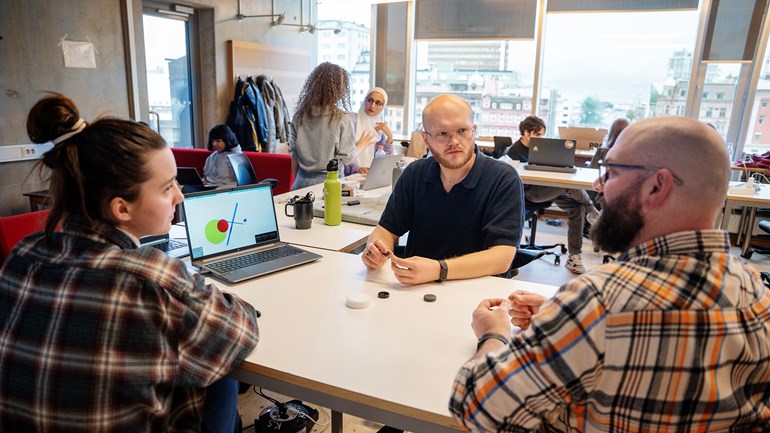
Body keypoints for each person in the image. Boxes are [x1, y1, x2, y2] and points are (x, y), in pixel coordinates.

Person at [450, 116, 770, 432]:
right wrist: (561, 321)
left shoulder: (598, 302)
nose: (597, 183)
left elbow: (476, 409)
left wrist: (494, 334)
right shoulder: (758, 297)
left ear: (657, 186)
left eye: (612, 171)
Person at [0, 93, 259, 433]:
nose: (180, 196)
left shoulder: (22, 254)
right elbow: (242, 330)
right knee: (218, 369)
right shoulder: (152, 277)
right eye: (167, 188)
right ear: (121, 208)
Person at [362, 94, 524, 285]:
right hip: (416, 288)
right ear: (426, 139)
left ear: (473, 130)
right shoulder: (415, 173)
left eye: (462, 130)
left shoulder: (503, 178)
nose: (454, 141)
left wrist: (439, 269)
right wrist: (376, 248)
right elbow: (387, 229)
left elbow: (502, 257)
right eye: (442, 133)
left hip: (478, 293)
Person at [505, 115, 600, 274]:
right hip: (530, 194)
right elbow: (515, 180)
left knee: (577, 207)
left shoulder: (544, 148)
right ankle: (593, 212)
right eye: (538, 134)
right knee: (566, 185)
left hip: (549, 191)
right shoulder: (514, 152)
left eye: (543, 134)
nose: (541, 138)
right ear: (526, 133)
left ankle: (574, 258)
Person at [289, 62, 371, 189]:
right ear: (339, 90)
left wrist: (296, 186)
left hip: (301, 182)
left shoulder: (299, 116)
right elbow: (347, 158)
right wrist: (359, 146)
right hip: (330, 184)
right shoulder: (342, 119)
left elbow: (295, 155)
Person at [345, 87, 394, 175]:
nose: (372, 106)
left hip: (370, 175)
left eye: (378, 103)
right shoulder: (350, 120)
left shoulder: (379, 128)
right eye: (369, 100)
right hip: (349, 175)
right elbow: (342, 154)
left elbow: (384, 159)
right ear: (364, 100)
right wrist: (357, 168)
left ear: (383, 107)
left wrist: (390, 137)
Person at [203, 123, 242, 188]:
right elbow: (206, 176)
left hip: (223, 189)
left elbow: (241, 182)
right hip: (209, 186)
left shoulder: (237, 157)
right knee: (187, 189)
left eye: (218, 141)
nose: (214, 144)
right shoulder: (212, 157)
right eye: (213, 141)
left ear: (227, 140)